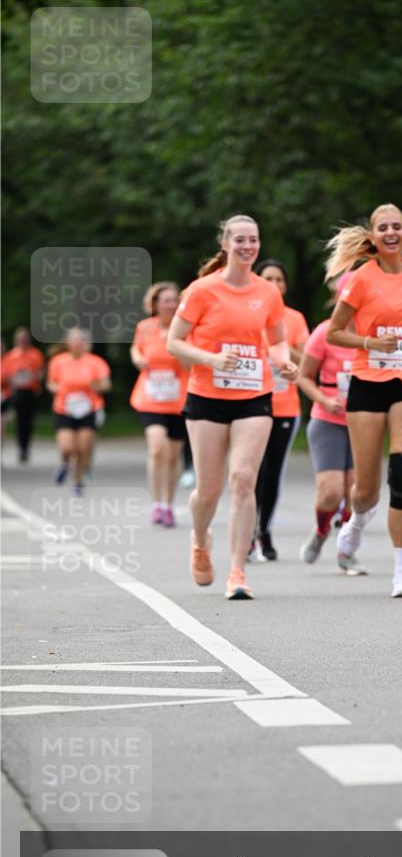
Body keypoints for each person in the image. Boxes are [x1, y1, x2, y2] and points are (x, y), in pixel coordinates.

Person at [166, 214, 297, 600]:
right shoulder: (202, 290)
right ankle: (200, 538)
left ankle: (238, 571)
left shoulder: (268, 293)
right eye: (239, 239)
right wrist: (210, 359)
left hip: (254, 395)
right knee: (208, 490)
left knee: (242, 479)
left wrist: (283, 360)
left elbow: (275, 340)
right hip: (207, 397)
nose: (247, 246)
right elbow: (175, 342)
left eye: (253, 240)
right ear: (225, 244)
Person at [325, 203, 402, 597]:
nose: (391, 232)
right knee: (366, 490)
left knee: (401, 475)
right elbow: (335, 333)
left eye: (397, 226)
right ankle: (354, 523)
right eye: (383, 227)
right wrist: (370, 341)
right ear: (372, 236)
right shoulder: (360, 279)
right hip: (368, 381)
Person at [251, 259, 309, 561]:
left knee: (272, 473)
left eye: (280, 279)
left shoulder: (294, 318)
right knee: (250, 472)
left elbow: (307, 361)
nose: (275, 284)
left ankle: (264, 531)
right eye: (268, 278)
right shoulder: (247, 312)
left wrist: (283, 347)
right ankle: (247, 532)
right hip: (249, 404)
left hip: (284, 406)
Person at [298, 276, 355, 567]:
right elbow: (304, 376)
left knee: (357, 494)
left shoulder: (373, 336)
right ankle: (321, 530)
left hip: (362, 423)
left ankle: (345, 551)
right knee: (331, 491)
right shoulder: (324, 332)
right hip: (328, 421)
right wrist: (322, 400)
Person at [130, 282, 188, 527]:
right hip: (150, 397)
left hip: (178, 398)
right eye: (166, 300)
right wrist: (139, 359)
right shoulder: (145, 328)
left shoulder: (185, 329)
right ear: (155, 304)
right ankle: (155, 504)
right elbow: (135, 349)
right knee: (157, 448)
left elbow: (189, 362)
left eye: (175, 300)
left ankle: (168, 504)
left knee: (173, 457)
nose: (171, 304)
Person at [47, 327, 111, 495]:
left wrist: (97, 385)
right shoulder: (58, 361)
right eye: (73, 339)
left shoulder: (96, 362)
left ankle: (77, 480)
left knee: (83, 448)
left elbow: (106, 384)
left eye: (80, 340)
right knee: (67, 447)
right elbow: (50, 383)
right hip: (65, 409)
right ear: (67, 342)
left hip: (88, 409)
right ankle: (64, 464)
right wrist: (57, 388)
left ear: (85, 343)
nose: (77, 343)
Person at [1, 327, 45, 462]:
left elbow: (42, 372)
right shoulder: (10, 356)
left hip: (31, 390)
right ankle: (21, 447)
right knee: (19, 420)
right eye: (20, 339)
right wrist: (13, 379)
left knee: (28, 420)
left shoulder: (36, 354)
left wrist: (33, 377)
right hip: (16, 392)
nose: (22, 341)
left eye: (25, 338)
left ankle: (25, 446)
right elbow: (5, 374)